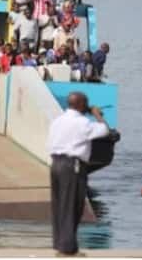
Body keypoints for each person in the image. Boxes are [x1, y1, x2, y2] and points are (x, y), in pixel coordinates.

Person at [46, 92, 110, 256]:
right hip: (72, 165)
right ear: (81, 105)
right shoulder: (82, 123)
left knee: (59, 204)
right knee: (72, 205)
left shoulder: (57, 121)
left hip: (56, 163)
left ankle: (61, 244)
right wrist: (97, 114)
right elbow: (104, 131)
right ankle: (68, 248)